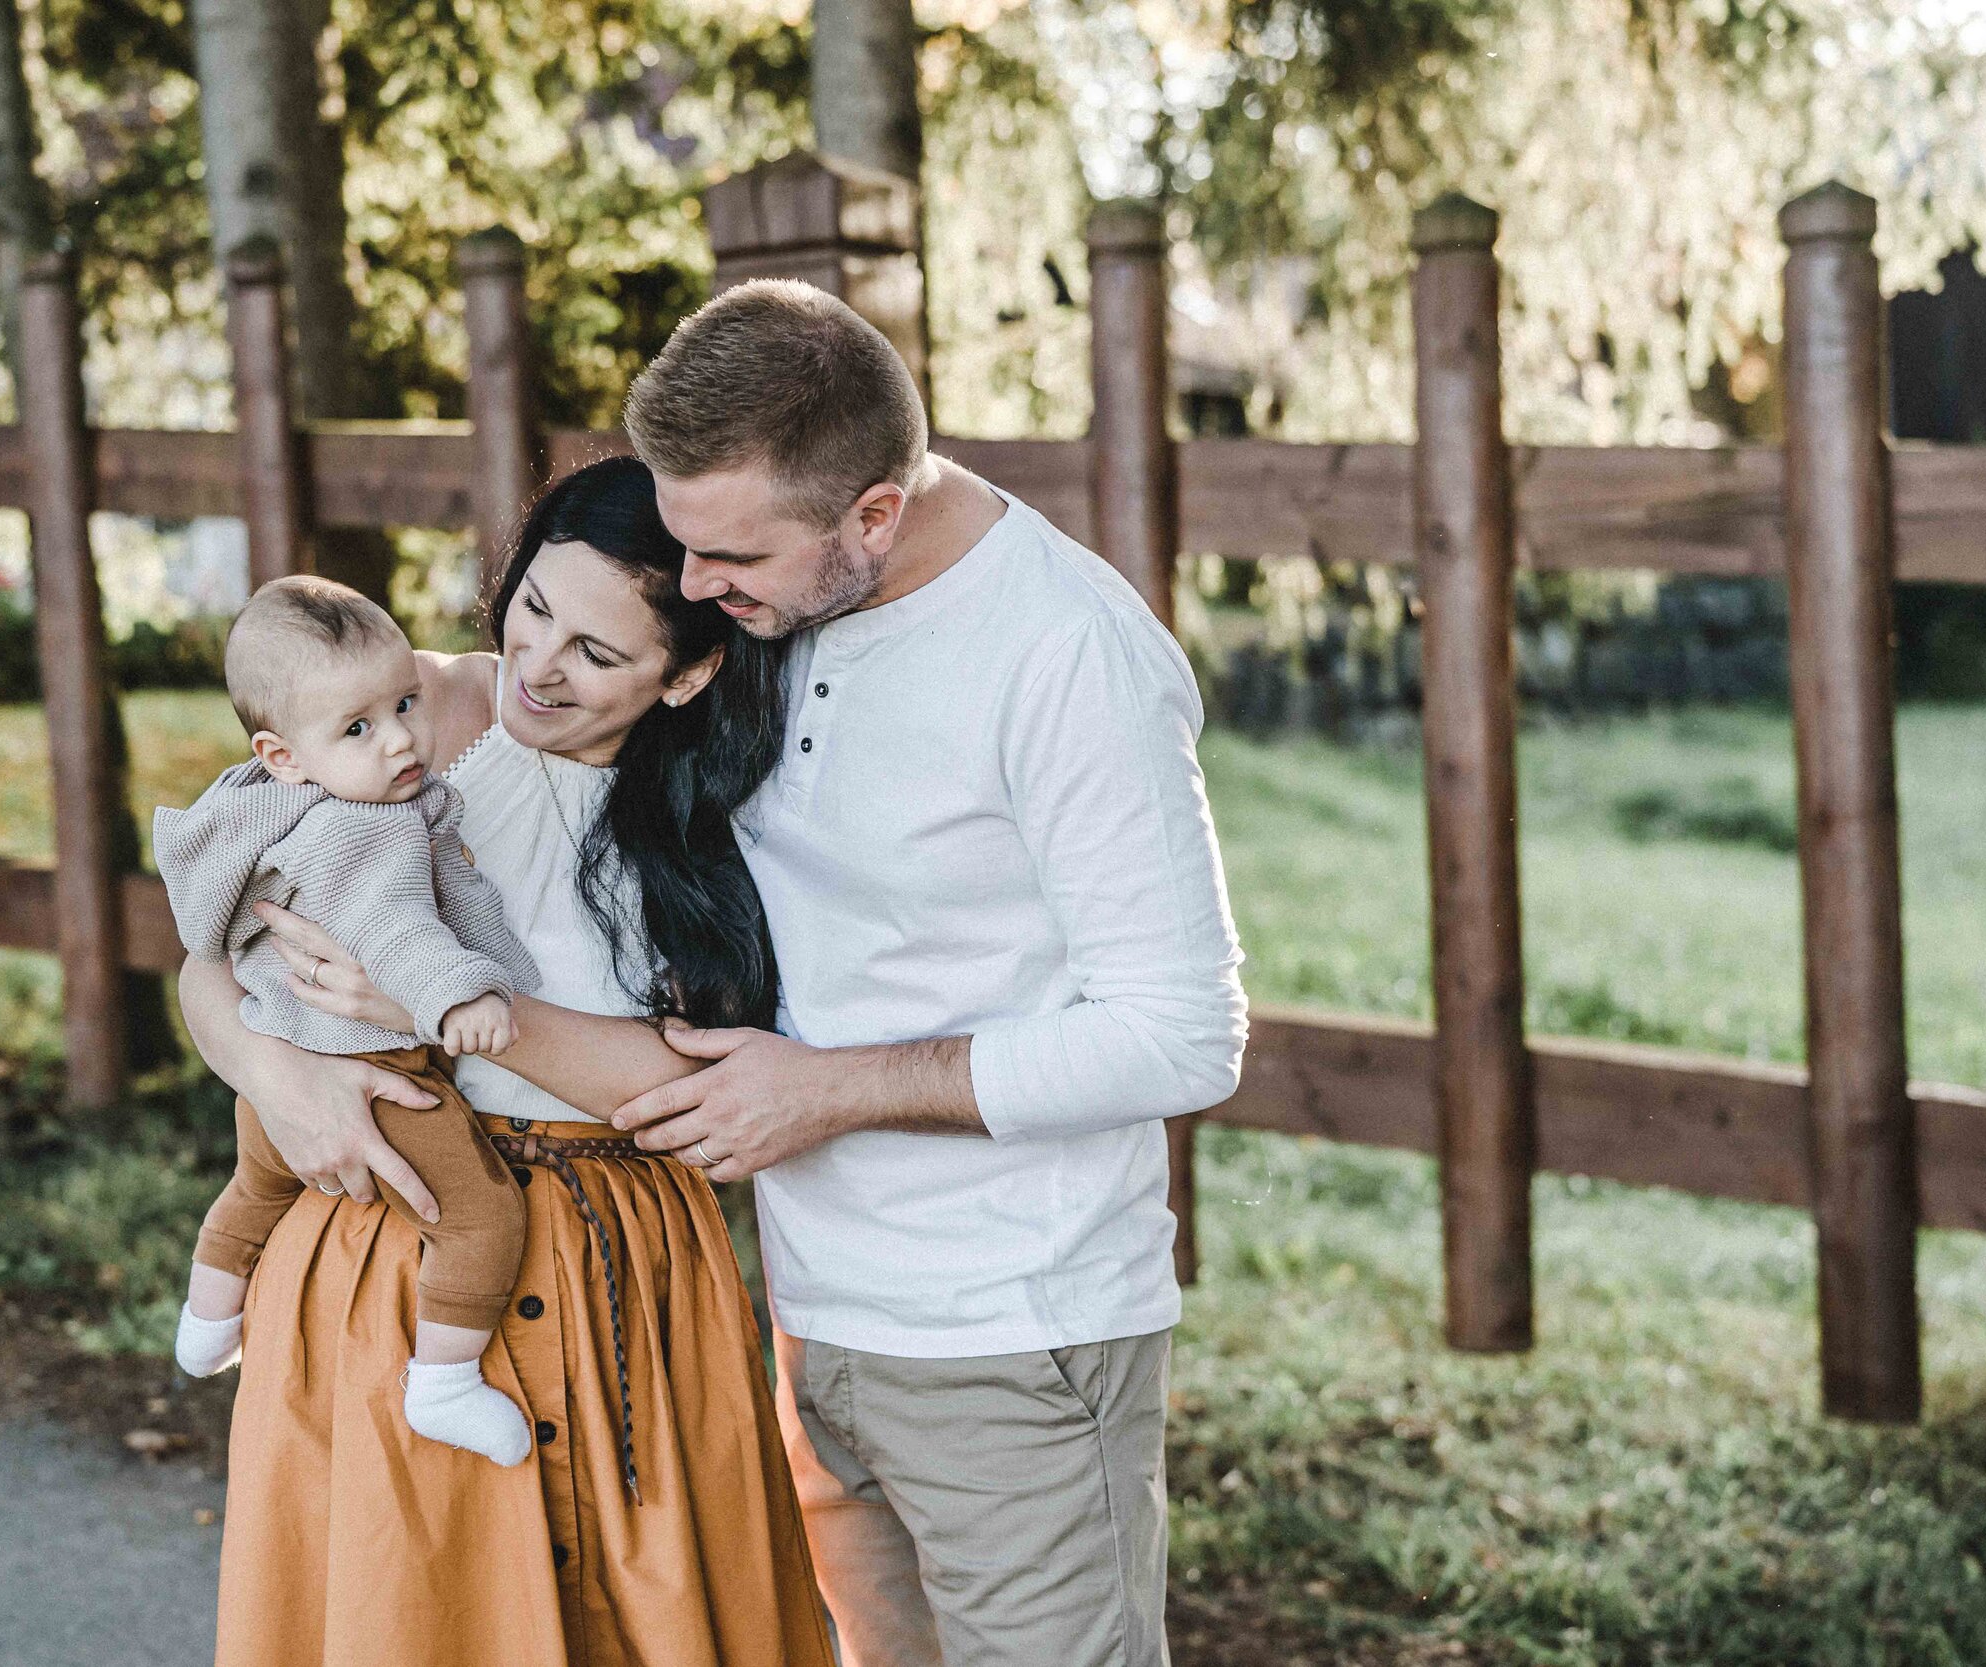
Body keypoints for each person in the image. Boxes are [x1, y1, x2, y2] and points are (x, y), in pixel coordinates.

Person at [604, 278, 1251, 1667]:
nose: (697, 586)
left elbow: (1183, 1033)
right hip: (813, 1312)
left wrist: (827, 1091)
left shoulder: (1066, 649)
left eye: (731, 556)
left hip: (1015, 1334)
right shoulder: (784, 609)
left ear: (874, 514)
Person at [180, 458, 833, 1666]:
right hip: (394, 1243)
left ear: (688, 671)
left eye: (597, 652)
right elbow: (211, 951)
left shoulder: (730, 805)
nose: (539, 665)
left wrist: (427, 1002)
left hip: (623, 1265)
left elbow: (684, 1092)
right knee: (414, 1610)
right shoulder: (390, 718)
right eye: (533, 606)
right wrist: (277, 1074)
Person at [154, 574, 539, 1465]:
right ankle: (443, 1381)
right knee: (481, 1217)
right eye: (360, 728)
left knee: (256, 1186)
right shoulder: (364, 830)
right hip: (378, 1076)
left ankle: (207, 1320)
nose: (402, 739)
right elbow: (398, 933)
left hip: (282, 1073)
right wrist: (463, 997)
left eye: (406, 702)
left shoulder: (265, 808)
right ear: (282, 753)